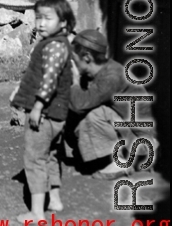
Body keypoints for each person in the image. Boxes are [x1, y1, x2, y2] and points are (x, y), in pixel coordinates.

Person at [11, 0, 76, 223]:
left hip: (45, 113)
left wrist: (38, 105)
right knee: (50, 156)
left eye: (47, 18)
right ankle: (54, 200)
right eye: (38, 18)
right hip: (57, 115)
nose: (41, 23)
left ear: (64, 23)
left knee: (35, 159)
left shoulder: (54, 47)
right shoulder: (58, 45)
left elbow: (49, 80)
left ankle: (37, 212)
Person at [66, 29, 156, 180]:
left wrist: (74, 82)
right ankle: (102, 157)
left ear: (87, 57)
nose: (72, 64)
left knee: (92, 113)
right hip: (125, 128)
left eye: (74, 59)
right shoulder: (99, 70)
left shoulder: (111, 76)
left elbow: (79, 105)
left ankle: (120, 164)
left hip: (139, 141)